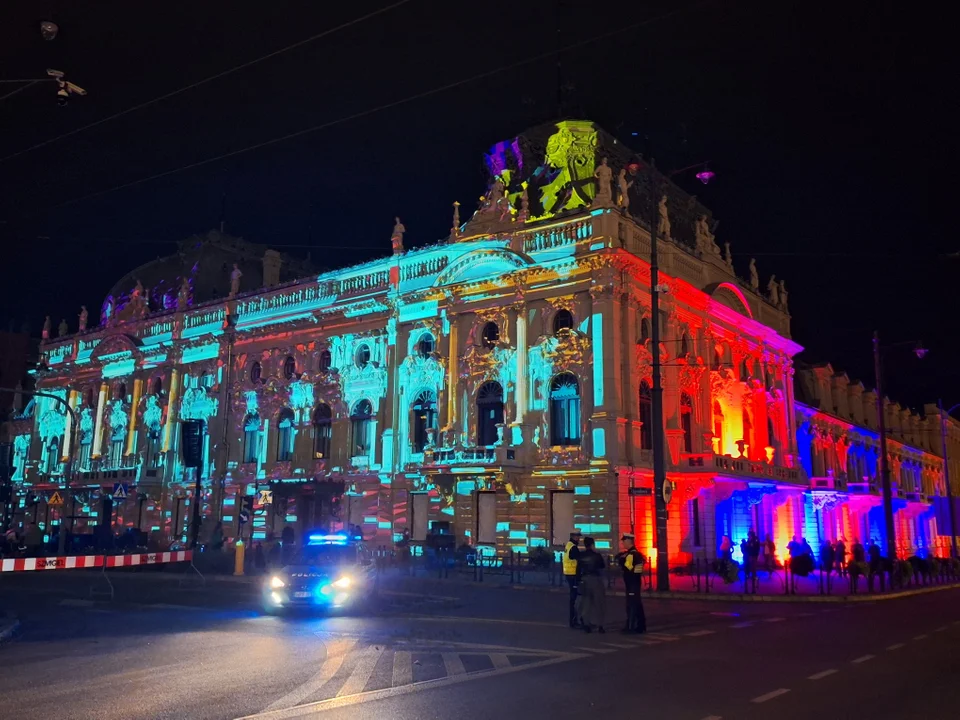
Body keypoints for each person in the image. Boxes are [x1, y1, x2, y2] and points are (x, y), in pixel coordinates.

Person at [617, 533, 646, 633]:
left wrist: (621, 560)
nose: (622, 543)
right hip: (636, 582)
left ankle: (630, 627)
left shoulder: (631, 555)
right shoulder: (636, 554)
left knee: (631, 605)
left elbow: (626, 568)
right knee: (637, 604)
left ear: (628, 542)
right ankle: (641, 626)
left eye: (624, 541)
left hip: (631, 583)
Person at [577, 536, 606, 634]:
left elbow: (578, 568)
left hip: (585, 579)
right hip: (595, 579)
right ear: (592, 544)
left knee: (586, 602)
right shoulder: (597, 555)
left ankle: (586, 624)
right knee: (599, 603)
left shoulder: (581, 555)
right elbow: (602, 566)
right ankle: (600, 625)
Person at [562, 530, 582, 628]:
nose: (579, 538)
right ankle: (573, 621)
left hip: (569, 574)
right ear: (574, 536)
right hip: (573, 575)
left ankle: (573, 620)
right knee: (574, 599)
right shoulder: (573, 548)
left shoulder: (568, 545)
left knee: (573, 598)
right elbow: (580, 560)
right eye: (578, 536)